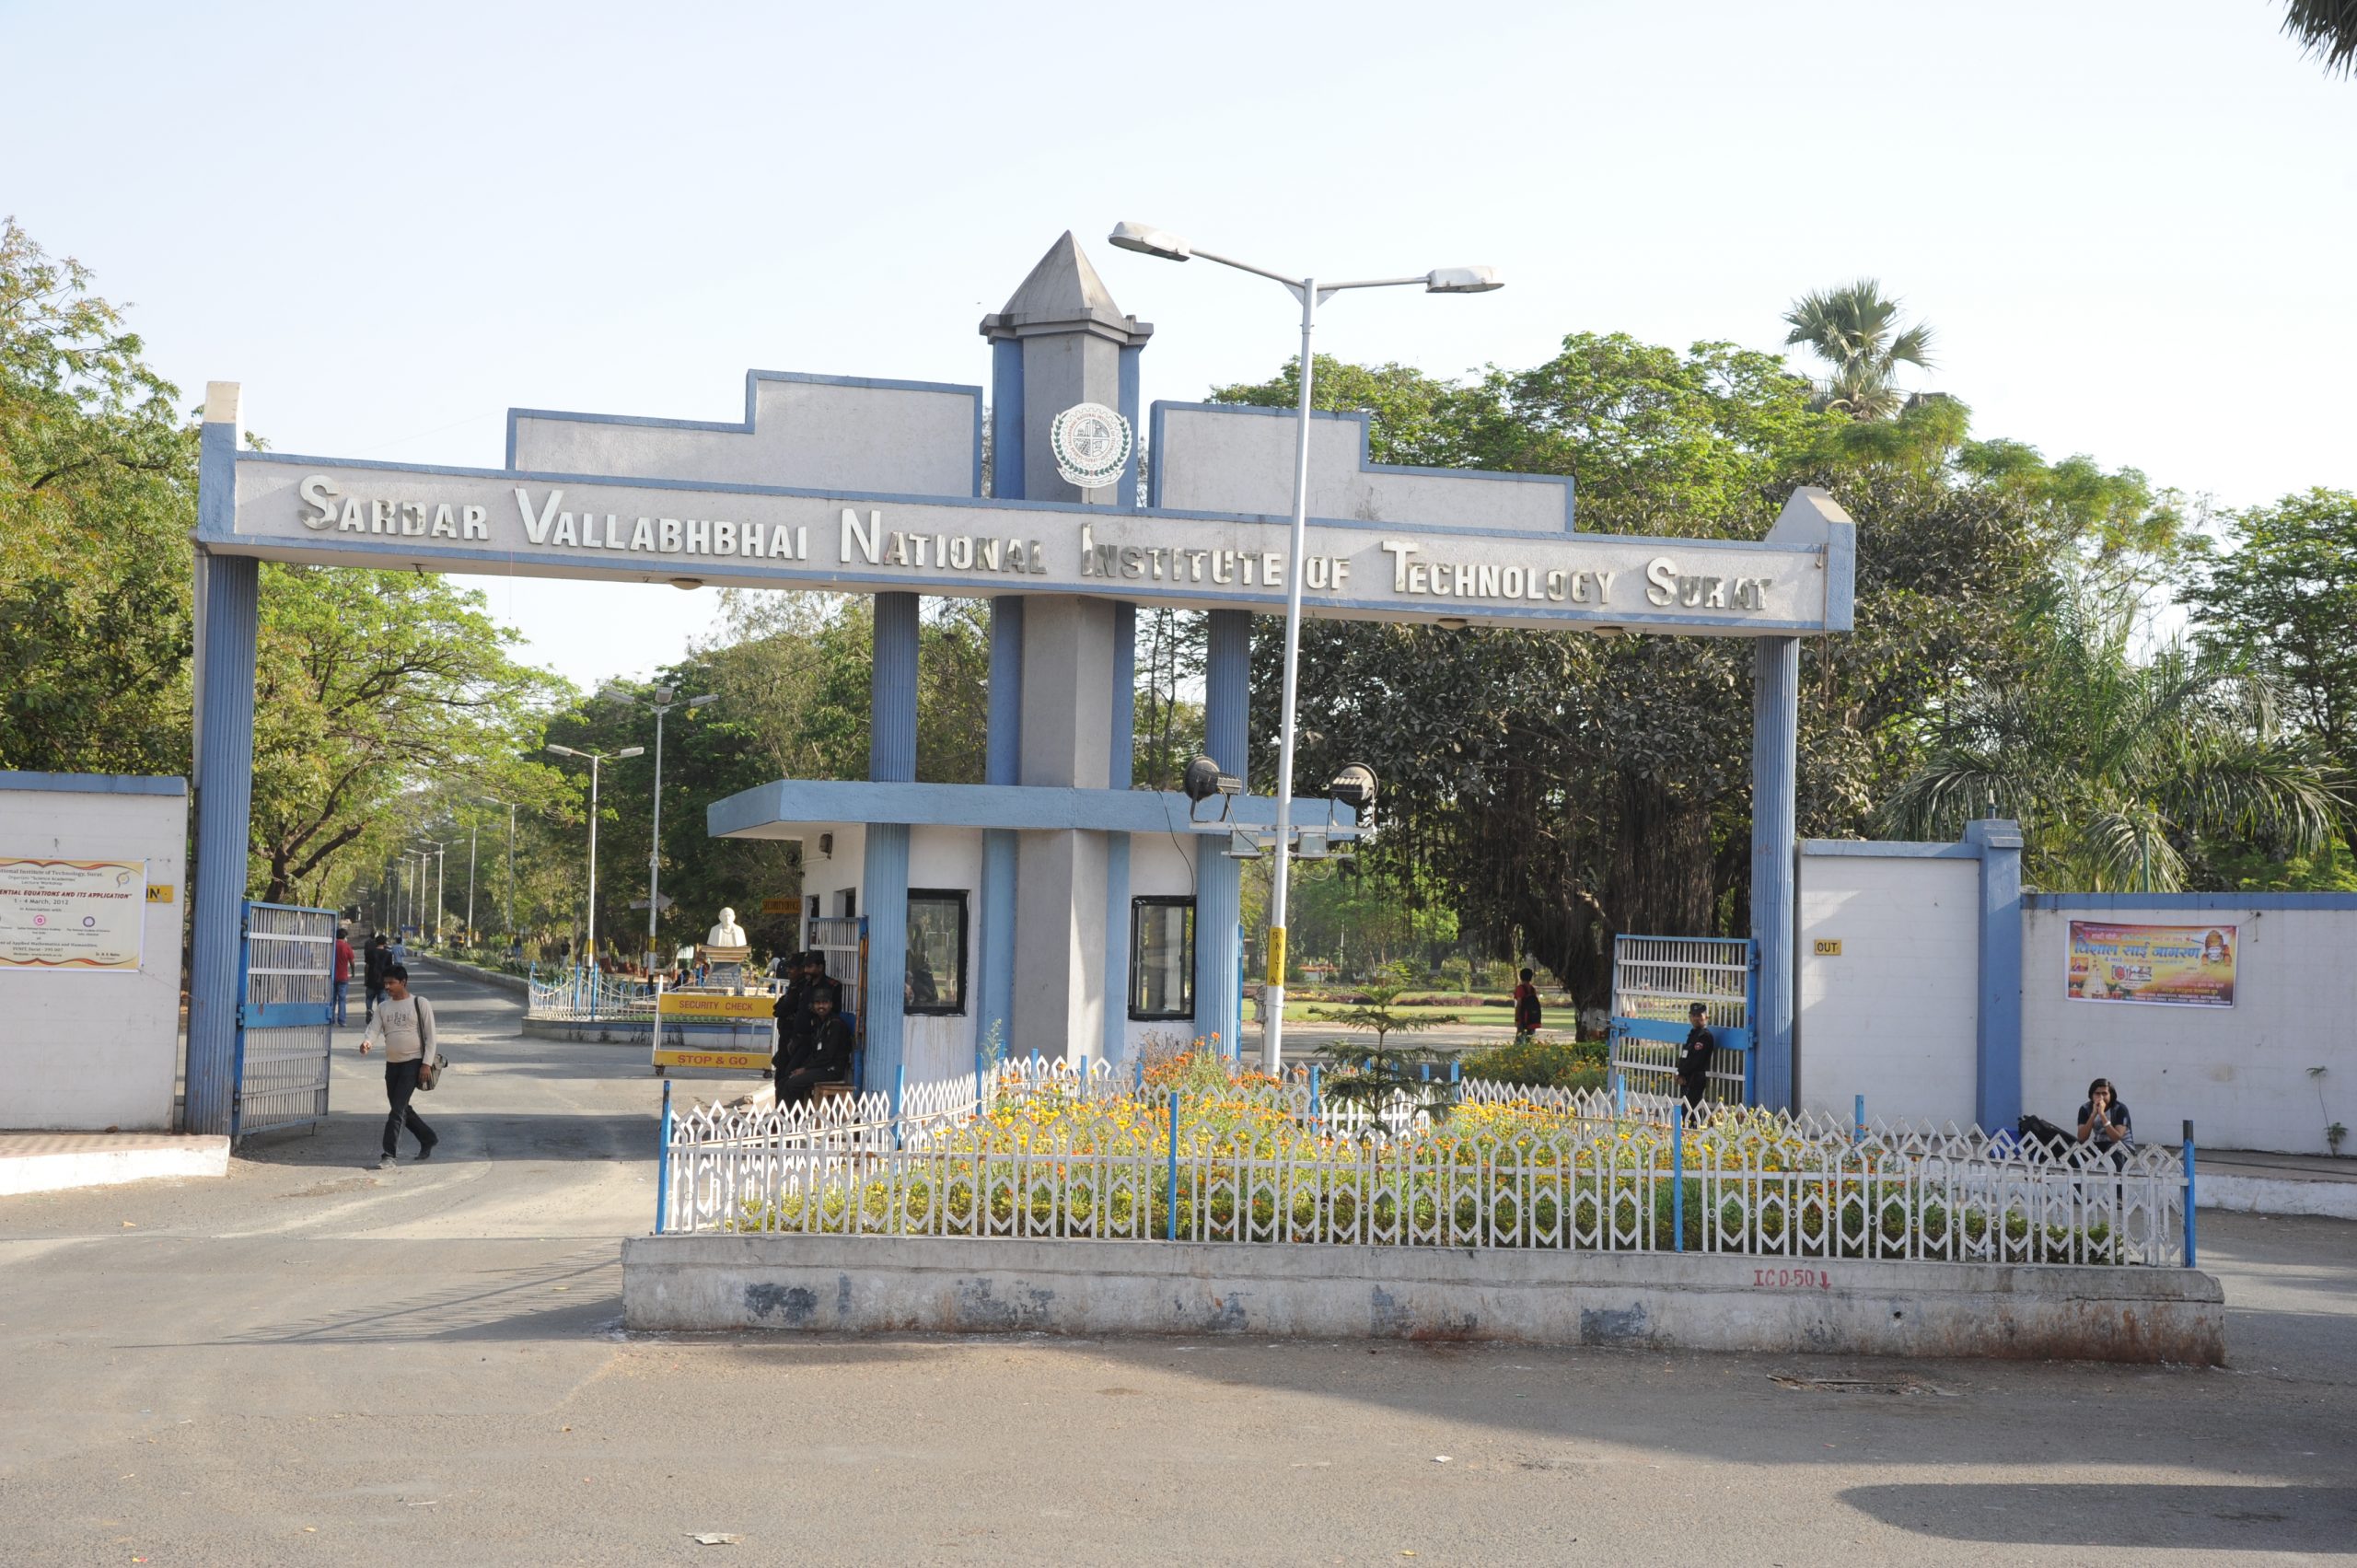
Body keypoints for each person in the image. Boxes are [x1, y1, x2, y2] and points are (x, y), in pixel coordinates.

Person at [356, 964, 439, 1169]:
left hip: (413, 1063)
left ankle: (389, 1155)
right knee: (400, 1107)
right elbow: (374, 1028)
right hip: (392, 1064)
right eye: (385, 983)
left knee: (397, 1110)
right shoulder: (384, 1007)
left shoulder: (420, 1003)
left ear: (403, 982)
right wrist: (367, 1042)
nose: (387, 987)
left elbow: (431, 1037)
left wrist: (426, 1064)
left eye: (391, 983)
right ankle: (427, 1137)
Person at [775, 985, 854, 1107]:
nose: (821, 1006)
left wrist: (805, 1069)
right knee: (783, 1082)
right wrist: (805, 1068)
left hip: (831, 1069)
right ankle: (780, 1119)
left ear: (831, 1005)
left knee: (792, 1084)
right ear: (813, 1006)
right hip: (818, 1068)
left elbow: (828, 1056)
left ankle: (793, 1122)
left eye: (825, 1003)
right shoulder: (818, 1023)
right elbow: (815, 1051)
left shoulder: (836, 1025)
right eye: (818, 1003)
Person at [2077, 1077, 2132, 1159]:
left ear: (2111, 1095)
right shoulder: (2085, 1109)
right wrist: (2093, 1115)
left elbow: (2117, 1138)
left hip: (2123, 1147)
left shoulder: (2120, 1109)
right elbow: (2082, 1138)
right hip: (2100, 1145)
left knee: (2114, 1150)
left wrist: (2102, 1115)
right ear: (2092, 1095)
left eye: (2104, 1093)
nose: (2101, 1097)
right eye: (2097, 1093)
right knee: (2076, 1150)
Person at [1677, 1002, 1715, 1117]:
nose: (1696, 1018)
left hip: (1695, 1078)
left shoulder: (1705, 1036)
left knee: (1689, 1112)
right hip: (1686, 1079)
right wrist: (1679, 1073)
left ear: (1706, 1018)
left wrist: (1682, 1073)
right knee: (1686, 1110)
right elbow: (1685, 1057)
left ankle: (1691, 1133)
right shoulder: (1693, 1035)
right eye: (1694, 1015)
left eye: (1699, 1015)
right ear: (1690, 1017)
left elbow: (1696, 1061)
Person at [362, 933, 392, 1022]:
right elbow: (390, 968)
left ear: (376, 942)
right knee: (382, 999)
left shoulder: (370, 952)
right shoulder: (388, 954)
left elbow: (367, 966)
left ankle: (369, 1010)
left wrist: (366, 978)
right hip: (383, 981)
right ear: (385, 943)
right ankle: (380, 1016)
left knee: (369, 997)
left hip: (371, 978)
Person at [331, 926, 355, 1028]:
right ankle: (342, 1020)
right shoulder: (347, 947)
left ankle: (331, 1019)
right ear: (345, 936)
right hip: (343, 977)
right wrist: (353, 972)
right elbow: (352, 962)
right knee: (342, 1000)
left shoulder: (331, 946)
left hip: (332, 977)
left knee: (332, 999)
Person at [1511, 968, 1543, 1043]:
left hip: (1523, 1018)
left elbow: (1519, 1005)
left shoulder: (1520, 988)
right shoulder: (1532, 989)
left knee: (1519, 1042)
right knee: (1530, 1040)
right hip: (1532, 1018)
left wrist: (1516, 1019)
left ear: (1521, 977)